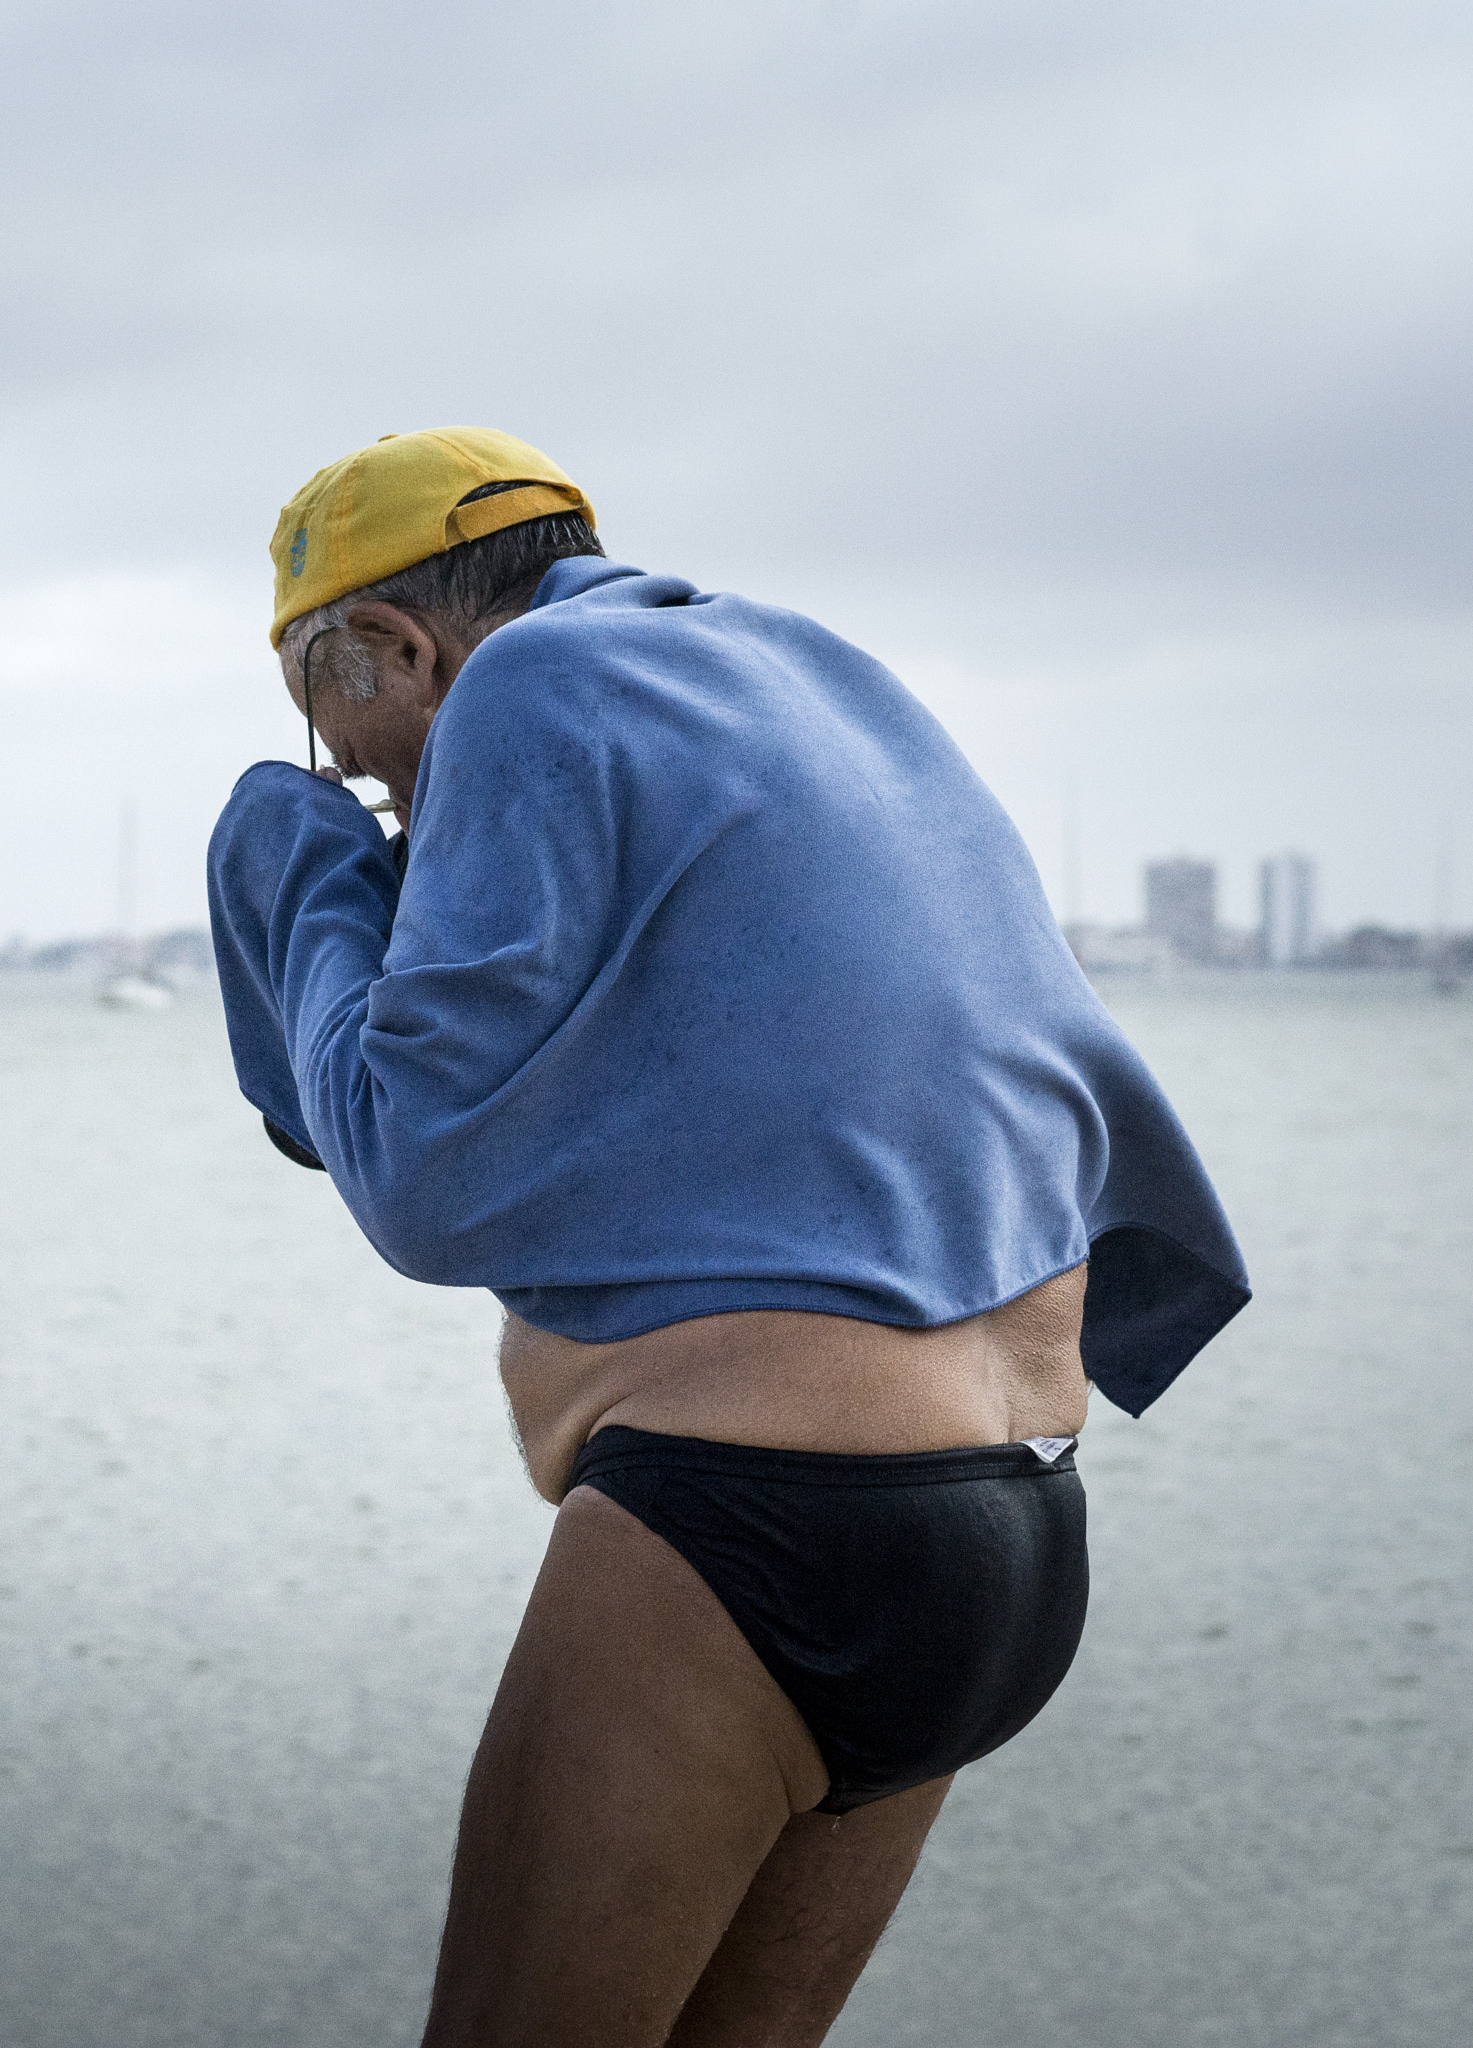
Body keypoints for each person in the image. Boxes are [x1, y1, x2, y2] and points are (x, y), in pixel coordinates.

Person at [206, 428, 1248, 2047]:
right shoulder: (812, 675)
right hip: (1014, 1528)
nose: (373, 784)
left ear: (399, 650)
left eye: (342, 733)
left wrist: (298, 870)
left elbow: (404, 1176)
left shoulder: (523, 690)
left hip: (767, 1524)